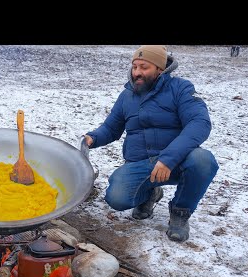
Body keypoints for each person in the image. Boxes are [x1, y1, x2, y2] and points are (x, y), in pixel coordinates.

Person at [83, 45, 219, 242]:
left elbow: (200, 123)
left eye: (144, 67)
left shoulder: (181, 89)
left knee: (203, 160)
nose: (137, 72)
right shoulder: (127, 96)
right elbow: (112, 128)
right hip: (140, 163)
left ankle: (180, 213)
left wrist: (168, 159)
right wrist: (92, 138)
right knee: (116, 198)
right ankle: (149, 194)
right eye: (135, 66)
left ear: (160, 69)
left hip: (176, 161)